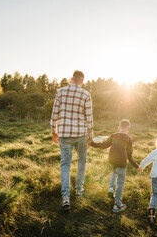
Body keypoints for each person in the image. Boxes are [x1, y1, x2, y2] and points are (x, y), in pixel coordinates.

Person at [50, 70, 93, 211]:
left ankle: (66, 197)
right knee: (82, 161)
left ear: (71, 79)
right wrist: (90, 136)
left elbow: (54, 113)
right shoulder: (86, 94)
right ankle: (79, 190)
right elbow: (89, 118)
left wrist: (53, 132)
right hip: (81, 134)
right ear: (82, 81)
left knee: (65, 164)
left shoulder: (60, 92)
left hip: (65, 134)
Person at [89, 119, 139, 212]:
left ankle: (111, 189)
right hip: (121, 164)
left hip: (112, 162)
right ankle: (117, 205)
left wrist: (92, 144)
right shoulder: (128, 139)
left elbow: (103, 145)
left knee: (114, 172)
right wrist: (137, 166)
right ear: (128, 129)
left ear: (119, 128)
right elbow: (129, 156)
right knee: (120, 183)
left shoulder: (113, 135)